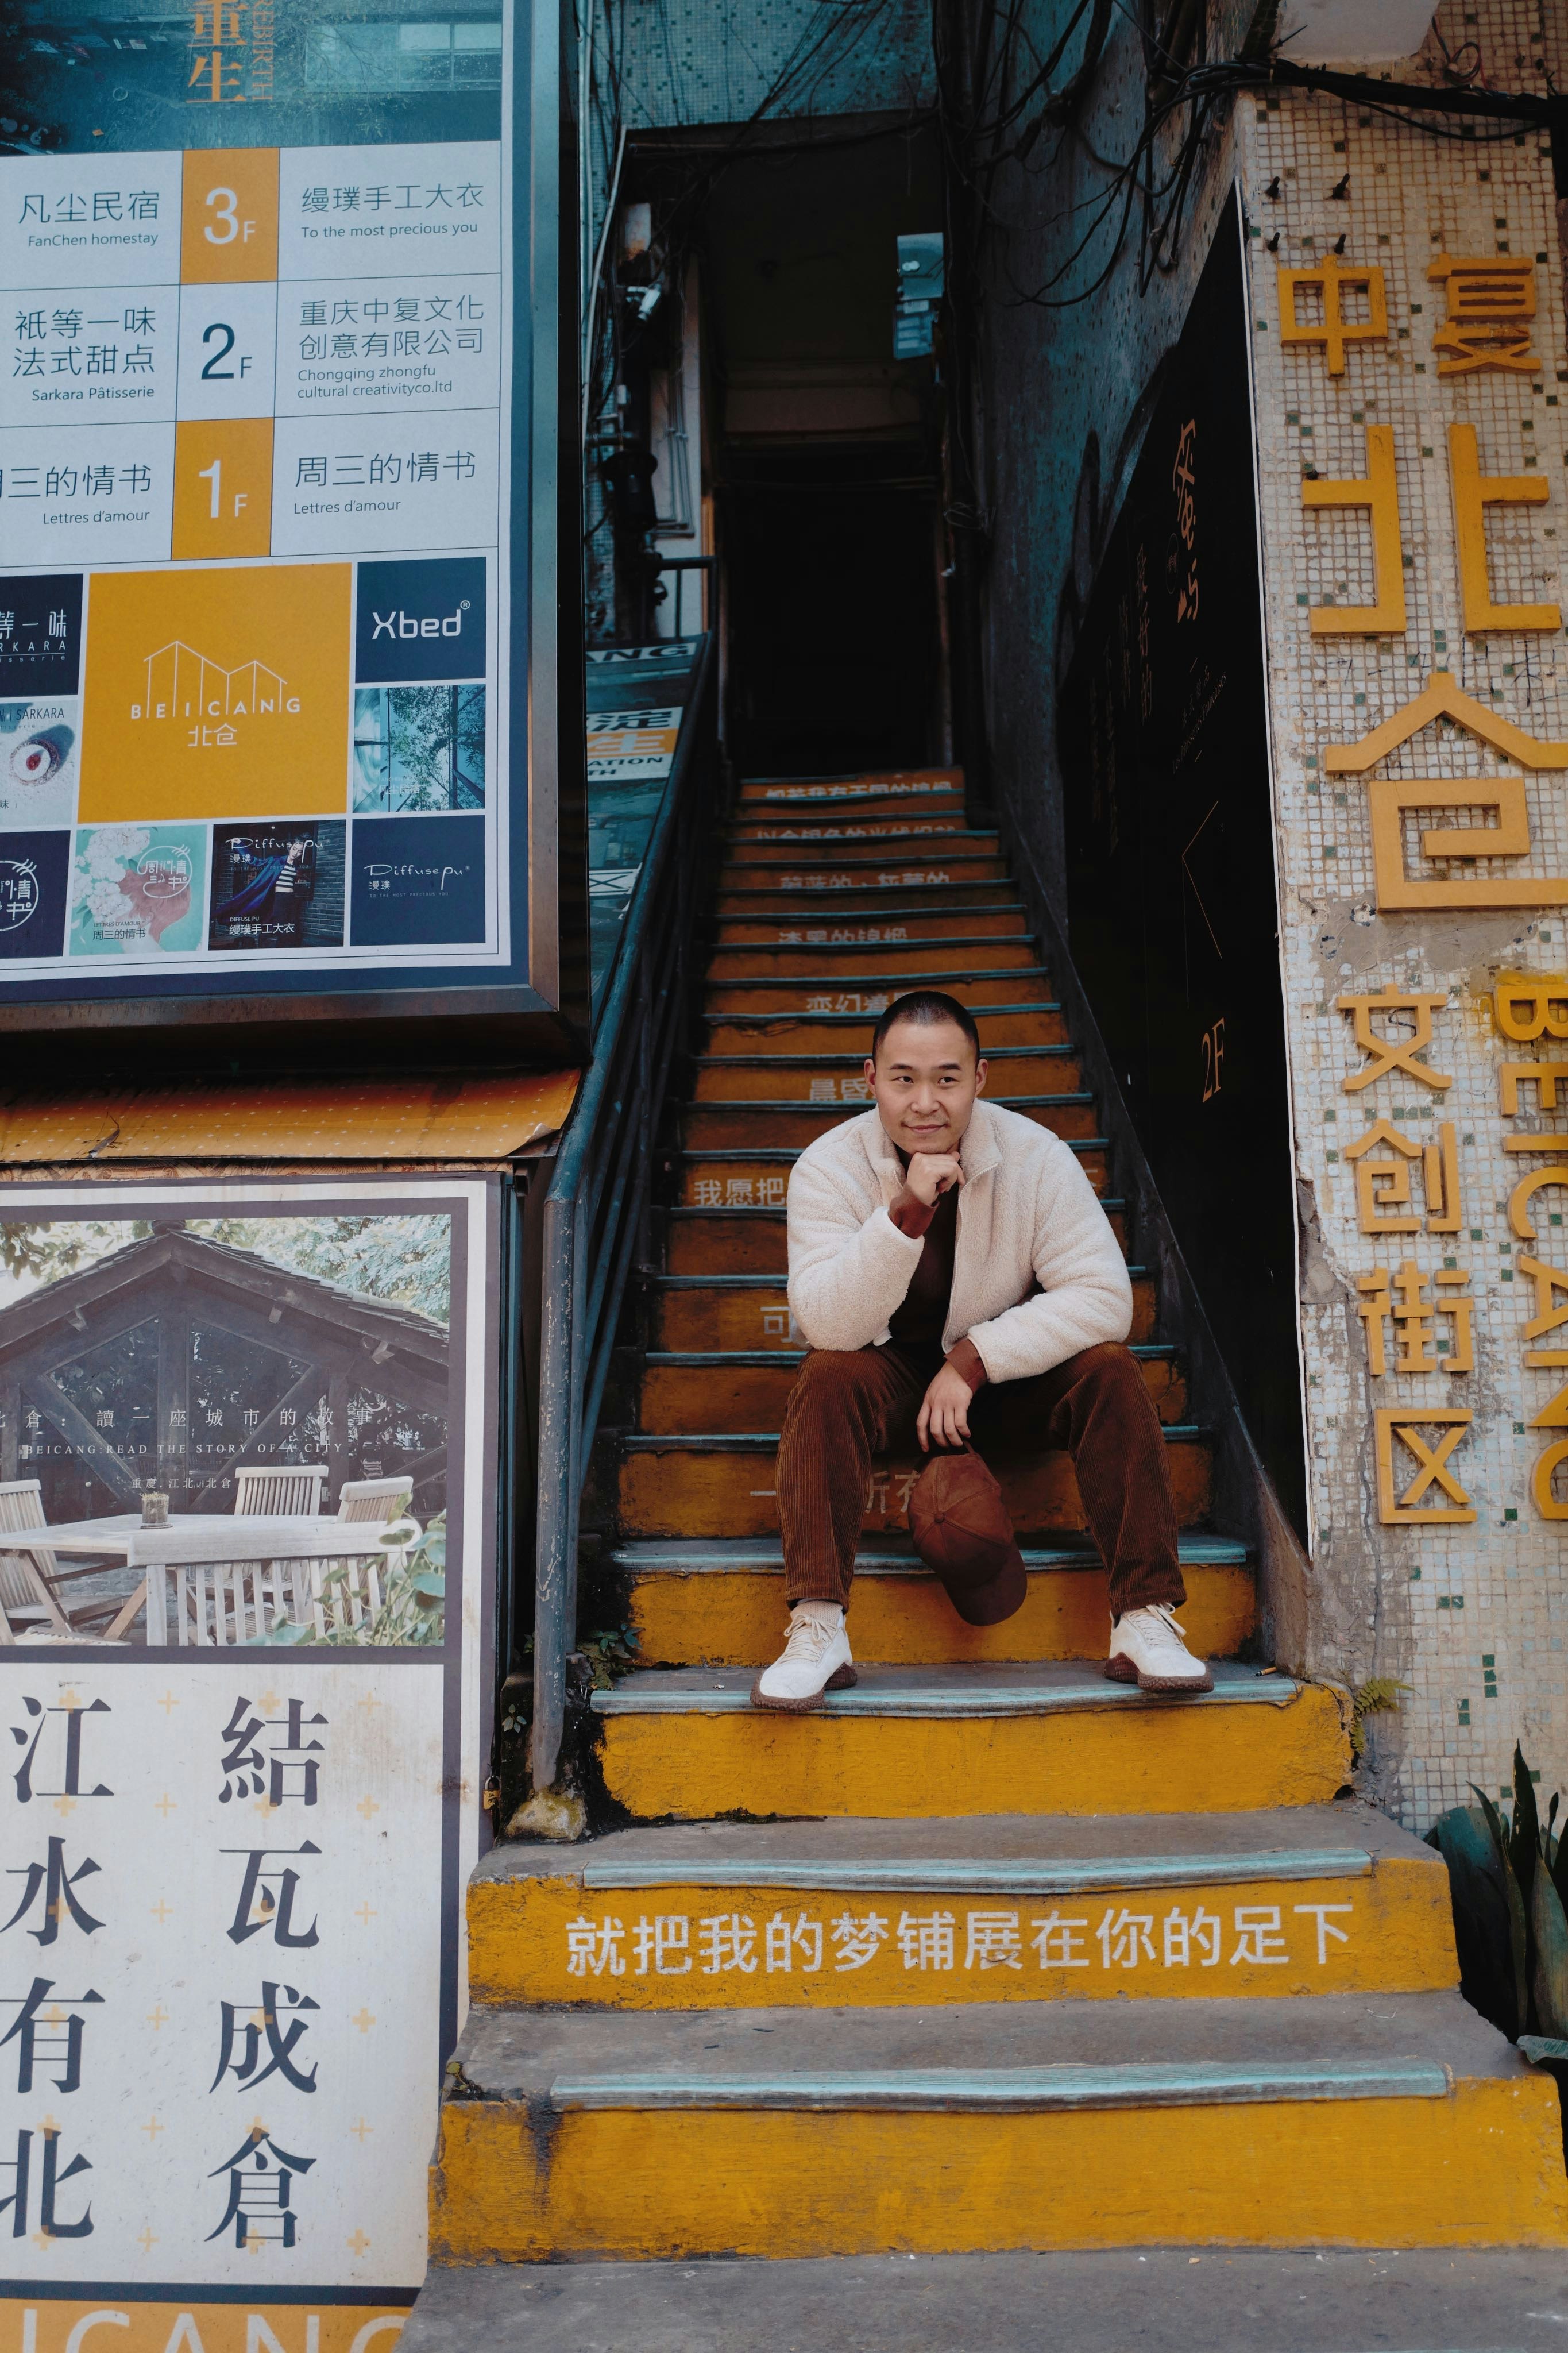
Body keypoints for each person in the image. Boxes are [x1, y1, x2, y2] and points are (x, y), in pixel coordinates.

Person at [751, 988, 1211, 1710]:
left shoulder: (1035, 1157)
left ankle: (1144, 1616)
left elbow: (1104, 1298)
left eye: (947, 1079)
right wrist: (906, 1211)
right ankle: (818, 1624)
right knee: (825, 1376)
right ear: (870, 1079)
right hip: (893, 1382)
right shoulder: (828, 1168)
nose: (925, 1102)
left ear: (981, 1078)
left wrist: (974, 1359)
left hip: (1004, 1387)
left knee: (1111, 1371)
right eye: (903, 1079)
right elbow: (828, 1323)